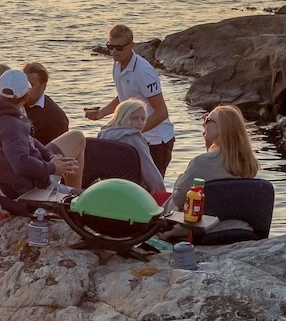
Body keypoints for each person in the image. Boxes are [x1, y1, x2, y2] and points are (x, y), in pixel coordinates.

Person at [84, 24, 176, 175]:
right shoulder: (117, 64)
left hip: (157, 140)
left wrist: (132, 133)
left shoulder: (143, 72)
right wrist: (102, 113)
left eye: (119, 48)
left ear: (132, 46)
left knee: (150, 191)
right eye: (110, 46)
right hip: (136, 138)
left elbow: (162, 112)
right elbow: (125, 96)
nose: (114, 52)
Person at [0, 69, 85, 189]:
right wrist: (53, 167)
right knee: (78, 138)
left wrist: (50, 156)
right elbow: (21, 164)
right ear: (26, 94)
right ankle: (75, 198)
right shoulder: (12, 125)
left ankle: (74, 193)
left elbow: (29, 139)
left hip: (11, 176)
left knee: (76, 136)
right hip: (35, 184)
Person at [169, 104, 259, 211]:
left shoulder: (201, 163)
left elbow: (178, 199)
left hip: (205, 225)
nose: (203, 124)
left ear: (221, 128)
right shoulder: (249, 164)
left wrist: (180, 178)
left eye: (208, 120)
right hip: (240, 223)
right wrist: (209, 147)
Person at [95, 99, 167, 196]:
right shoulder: (133, 138)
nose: (141, 123)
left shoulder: (103, 135)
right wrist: (162, 194)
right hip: (134, 191)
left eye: (143, 119)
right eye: (134, 118)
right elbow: (150, 172)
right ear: (122, 117)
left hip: (107, 187)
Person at [21, 62, 69, 145]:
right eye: (23, 84)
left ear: (44, 86)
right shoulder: (14, 104)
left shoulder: (56, 117)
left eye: (31, 85)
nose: (26, 89)